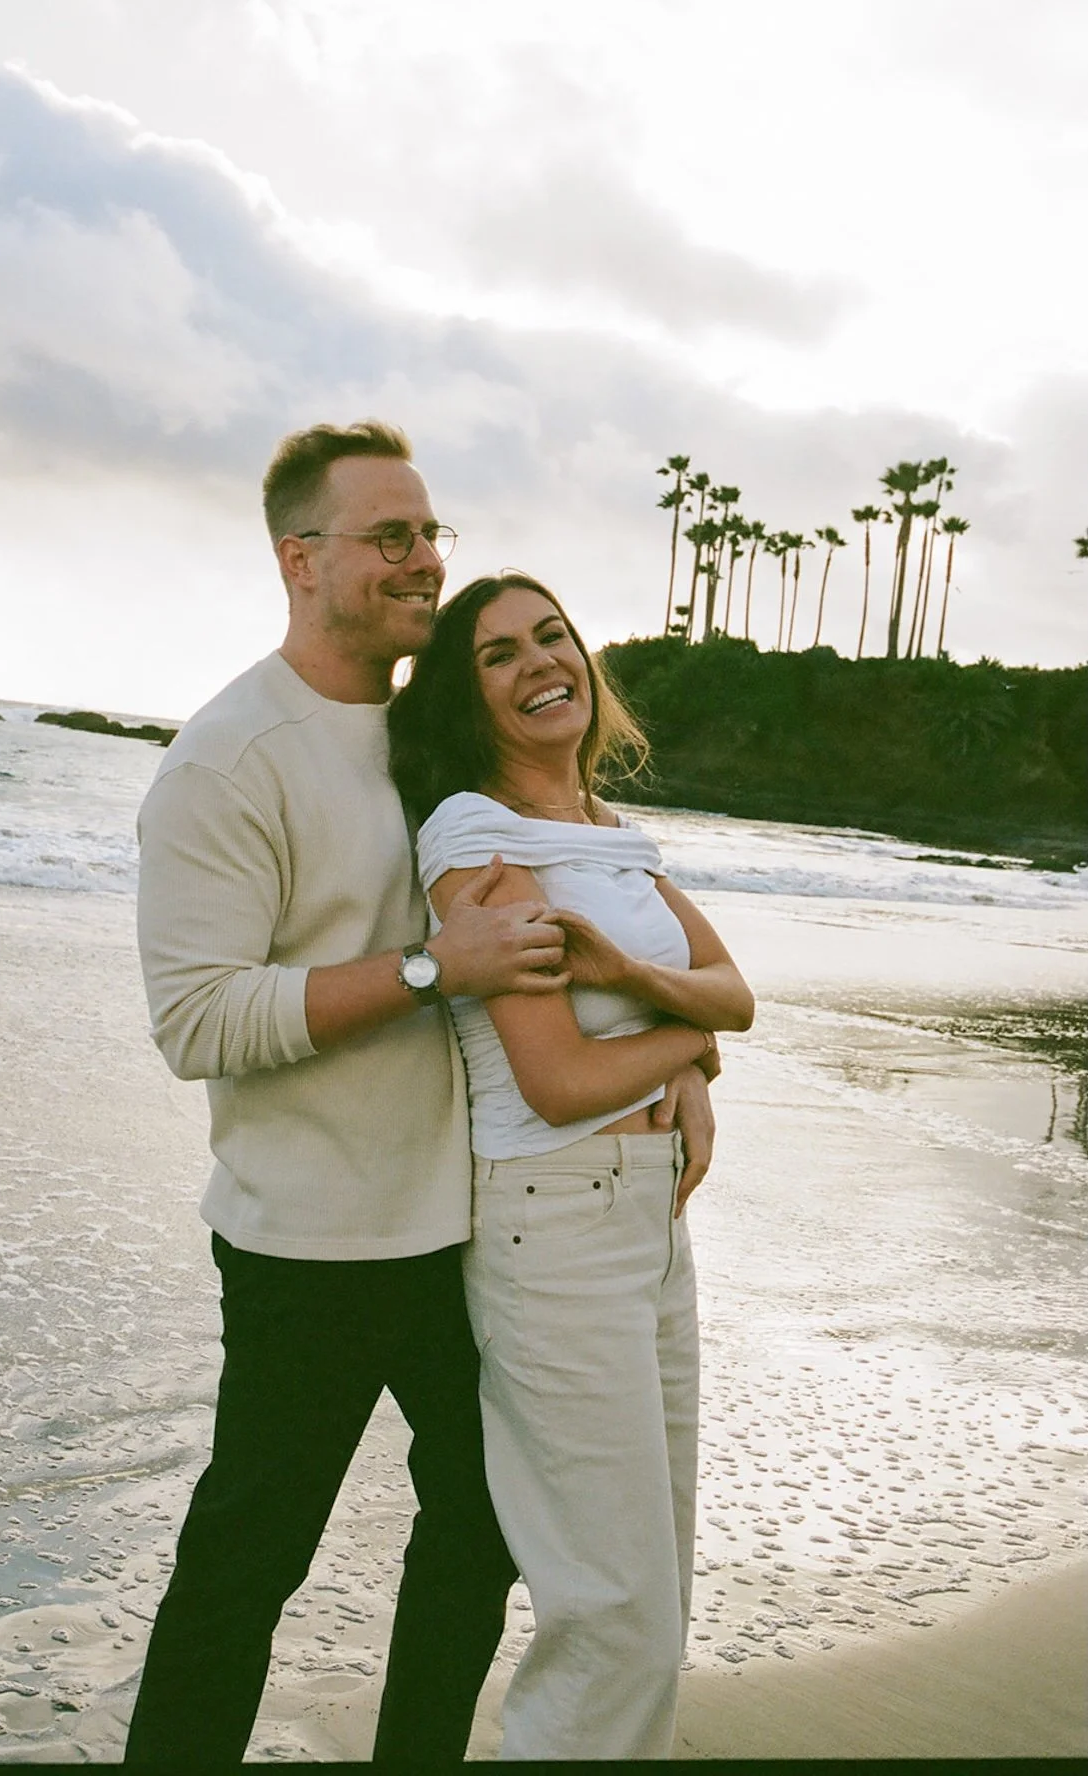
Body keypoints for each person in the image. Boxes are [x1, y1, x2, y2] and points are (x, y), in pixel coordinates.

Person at [124, 422, 577, 1765]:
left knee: (486, 1522)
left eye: (430, 533)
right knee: (244, 1569)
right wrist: (434, 966)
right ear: (299, 558)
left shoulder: (438, 727)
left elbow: (561, 876)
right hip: (302, 1246)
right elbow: (196, 1018)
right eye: (391, 538)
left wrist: (676, 1066)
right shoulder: (225, 760)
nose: (425, 560)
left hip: (464, 1231)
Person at [388, 572, 755, 1760]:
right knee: (615, 1620)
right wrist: (683, 1045)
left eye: (553, 637)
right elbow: (551, 1084)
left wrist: (661, 1012)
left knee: (656, 1602)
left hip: (652, 1227)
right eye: (498, 654)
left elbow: (732, 994)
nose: (539, 662)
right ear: (470, 694)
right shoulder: (475, 837)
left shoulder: (613, 838)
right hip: (553, 1231)